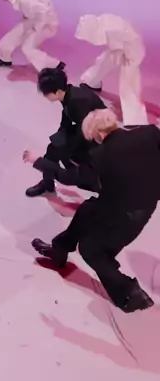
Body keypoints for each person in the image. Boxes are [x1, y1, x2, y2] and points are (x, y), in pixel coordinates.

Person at [27, 109, 158, 312]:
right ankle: (59, 250)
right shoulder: (148, 132)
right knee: (87, 210)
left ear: (97, 134)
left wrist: (38, 161)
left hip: (128, 215)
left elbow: (68, 177)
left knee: (91, 249)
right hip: (129, 203)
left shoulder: (101, 155)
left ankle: (131, 293)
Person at [25, 65, 106, 197]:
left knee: (65, 156)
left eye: (46, 93)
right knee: (53, 149)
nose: (45, 96)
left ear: (57, 92)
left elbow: (87, 130)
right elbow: (68, 116)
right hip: (83, 131)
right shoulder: (68, 94)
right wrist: (60, 137)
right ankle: (47, 183)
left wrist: (67, 148)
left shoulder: (79, 100)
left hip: (96, 140)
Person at [75, 13, 148, 126]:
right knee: (103, 62)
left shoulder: (112, 28)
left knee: (128, 83)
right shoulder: (104, 25)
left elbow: (132, 38)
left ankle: (135, 119)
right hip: (119, 47)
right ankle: (92, 81)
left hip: (131, 51)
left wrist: (128, 55)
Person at [0, 0, 63, 72]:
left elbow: (44, 11)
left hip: (47, 23)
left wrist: (36, 28)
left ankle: (53, 65)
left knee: (28, 48)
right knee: (12, 36)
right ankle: (4, 58)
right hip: (33, 19)